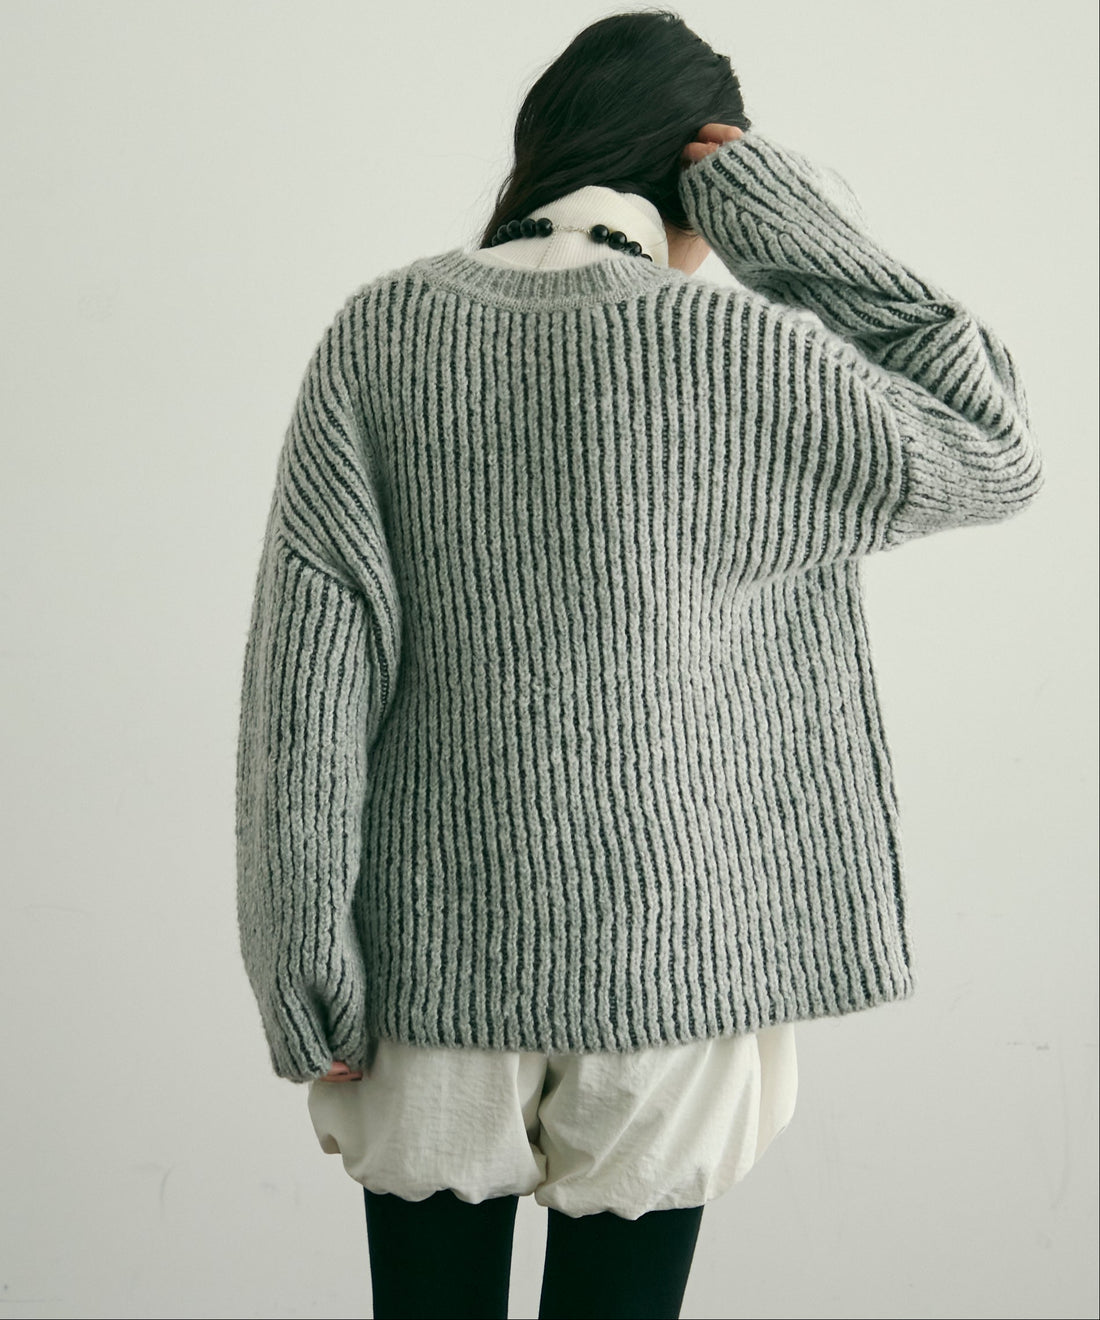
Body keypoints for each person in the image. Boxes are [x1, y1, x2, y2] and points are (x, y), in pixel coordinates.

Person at [234, 10, 1044, 1319]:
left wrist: (305, 966)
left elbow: (310, 681)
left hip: (421, 977)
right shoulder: (740, 352)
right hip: (671, 967)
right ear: (708, 174)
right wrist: (792, 227)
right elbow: (993, 442)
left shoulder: (378, 336)